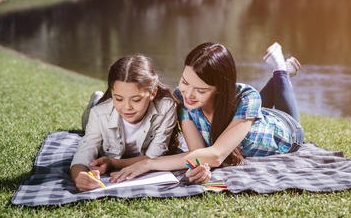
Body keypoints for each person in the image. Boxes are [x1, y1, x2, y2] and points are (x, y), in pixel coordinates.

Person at [109, 42, 304, 184]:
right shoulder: (184, 100)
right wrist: (201, 167)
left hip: (286, 130)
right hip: (247, 116)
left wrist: (149, 164)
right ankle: (283, 70)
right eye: (185, 82)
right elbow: (199, 153)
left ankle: (281, 69)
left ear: (218, 89)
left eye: (200, 90)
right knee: (246, 108)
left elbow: (216, 155)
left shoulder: (247, 97)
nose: (189, 95)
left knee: (259, 105)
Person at [70, 55, 178, 191]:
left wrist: (113, 163)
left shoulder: (166, 108)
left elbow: (153, 157)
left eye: (136, 99)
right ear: (112, 93)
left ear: (153, 93)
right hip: (99, 115)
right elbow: (84, 151)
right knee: (88, 122)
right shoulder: (99, 114)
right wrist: (80, 176)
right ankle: (95, 101)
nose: (127, 107)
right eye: (119, 98)